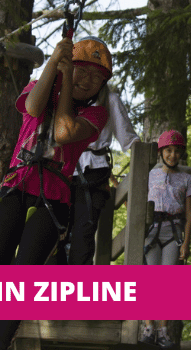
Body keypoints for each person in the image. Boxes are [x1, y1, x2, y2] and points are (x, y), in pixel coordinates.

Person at [0, 36, 113, 350]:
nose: (88, 81)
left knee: (22, 280)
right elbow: (32, 106)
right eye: (83, 71)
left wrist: (67, 79)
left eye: (97, 78)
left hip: (52, 201)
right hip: (15, 187)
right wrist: (54, 63)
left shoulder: (97, 116)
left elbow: (62, 131)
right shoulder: (38, 87)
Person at [65, 89, 140, 265]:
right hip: (62, 169)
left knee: (83, 236)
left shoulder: (109, 99)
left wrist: (149, 170)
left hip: (94, 171)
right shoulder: (64, 94)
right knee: (55, 236)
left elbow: (128, 138)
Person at [140, 130, 191, 348]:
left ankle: (163, 331)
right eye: (168, 151)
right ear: (161, 152)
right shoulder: (150, 175)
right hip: (151, 230)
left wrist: (186, 243)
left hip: (173, 232)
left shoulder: (187, 179)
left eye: (176, 151)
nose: (173, 155)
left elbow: (189, 214)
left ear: (181, 154)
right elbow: (137, 201)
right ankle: (148, 328)